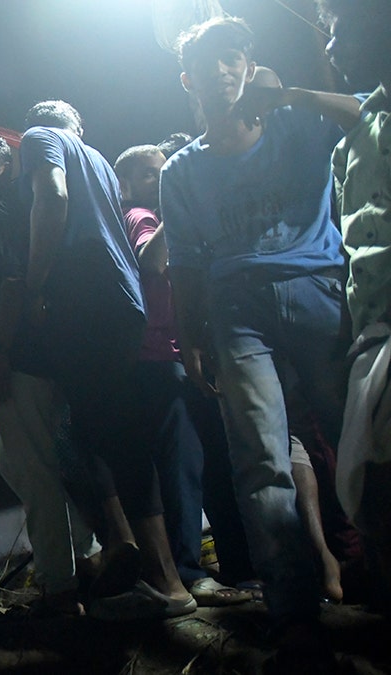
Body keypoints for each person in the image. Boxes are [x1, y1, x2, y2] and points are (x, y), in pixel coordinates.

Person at [160, 16, 360, 660]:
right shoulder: (181, 171)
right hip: (235, 311)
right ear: (187, 80)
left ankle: (377, 576)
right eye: (209, 63)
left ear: (248, 65)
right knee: (260, 458)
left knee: (361, 439)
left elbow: (365, 118)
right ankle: (292, 607)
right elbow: (186, 262)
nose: (223, 71)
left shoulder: (297, 127)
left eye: (234, 58)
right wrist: (191, 335)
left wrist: (291, 94)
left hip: (320, 295)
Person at [18, 100, 193, 620]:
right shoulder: (95, 156)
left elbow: (51, 198)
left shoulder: (40, 139)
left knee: (116, 439)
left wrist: (33, 284)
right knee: (104, 433)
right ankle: (139, 560)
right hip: (122, 305)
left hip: (84, 303)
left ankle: (167, 584)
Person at [0, 132, 100, 614]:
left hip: (20, 359)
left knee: (28, 467)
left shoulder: (0, 215)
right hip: (58, 356)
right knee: (62, 462)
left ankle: (59, 583)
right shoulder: (32, 213)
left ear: (6, 162)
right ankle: (87, 563)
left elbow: (12, 286)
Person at [115, 143, 250, 608]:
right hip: (158, 362)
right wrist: (177, 198)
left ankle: (237, 568)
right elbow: (152, 262)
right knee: (181, 468)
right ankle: (188, 573)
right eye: (153, 175)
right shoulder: (136, 215)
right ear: (127, 184)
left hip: (185, 358)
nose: (163, 181)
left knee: (210, 464)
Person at [319, 0, 391, 611]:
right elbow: (350, 248)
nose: (332, 48)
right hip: (375, 335)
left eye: (340, 30)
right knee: (374, 489)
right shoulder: (352, 142)